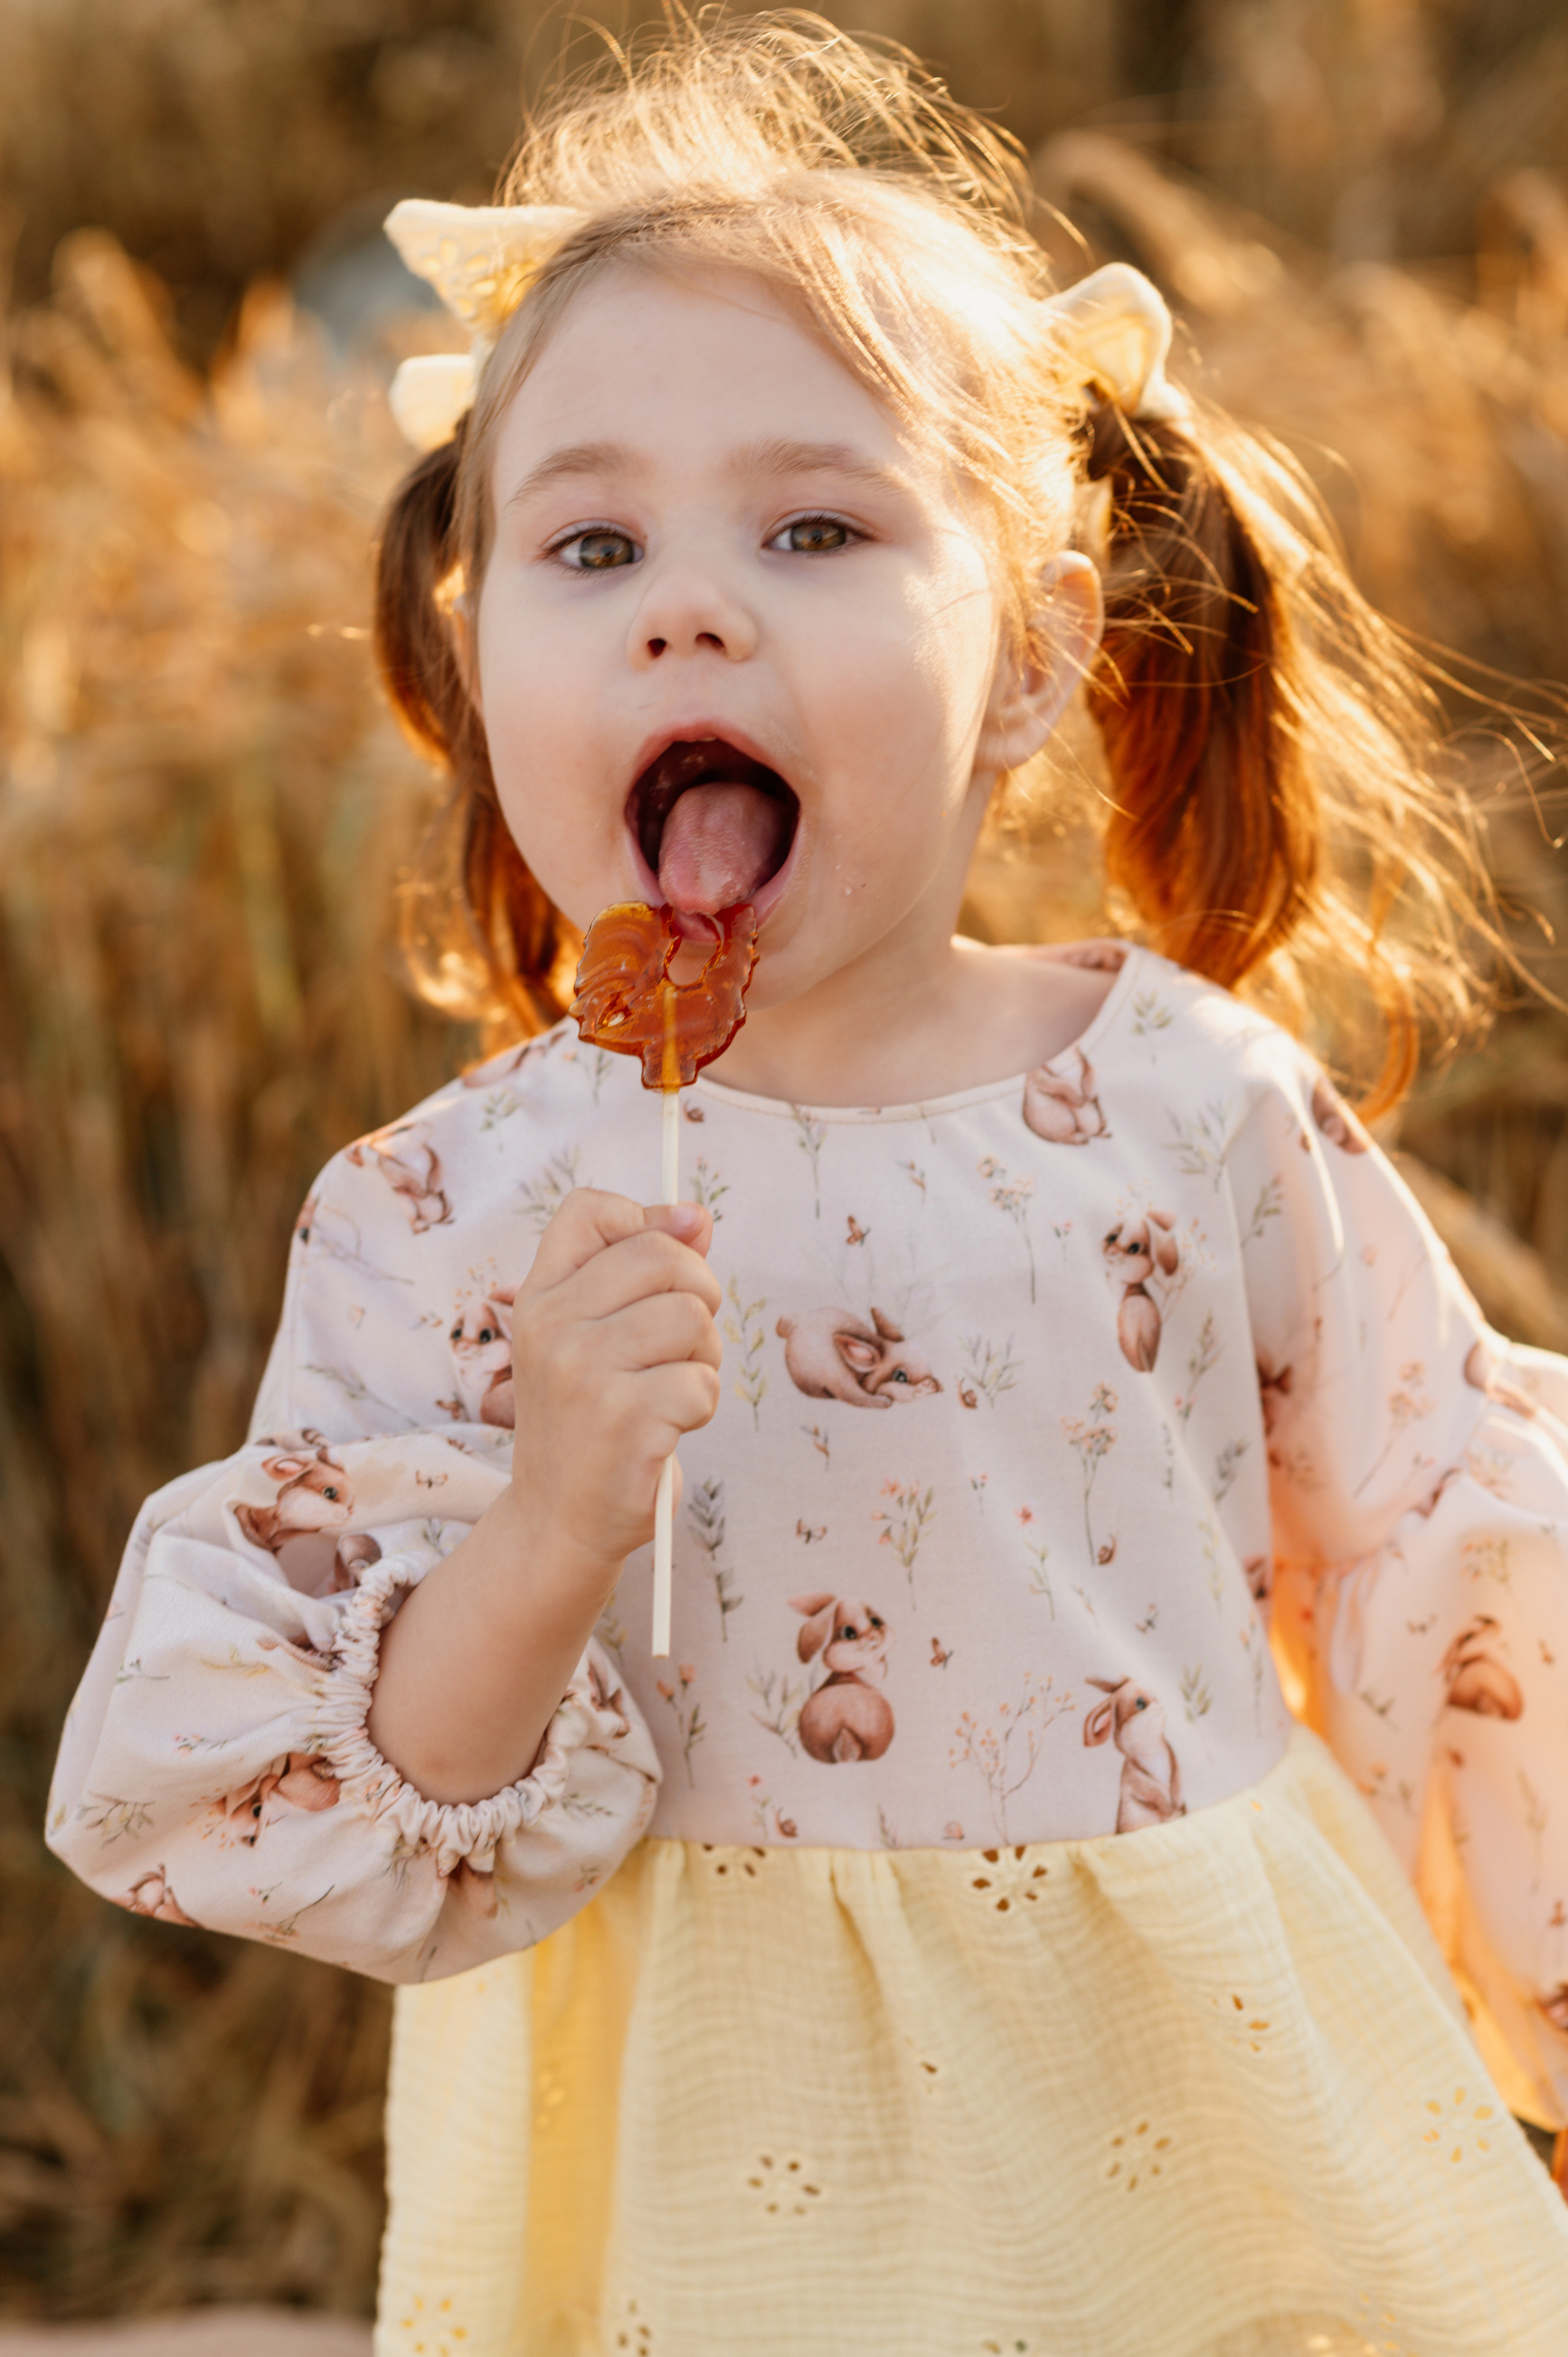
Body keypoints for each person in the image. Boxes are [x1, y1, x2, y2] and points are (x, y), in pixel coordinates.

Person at [47, 17, 1568, 2353]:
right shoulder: (458, 1209)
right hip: (707, 2148)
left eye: (817, 526)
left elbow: (1454, 1556)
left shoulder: (1190, 1102)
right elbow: (380, 1814)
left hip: (1185, 2101)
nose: (687, 605)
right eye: (590, 543)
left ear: (1038, 653)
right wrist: (552, 1520)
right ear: (478, 666)